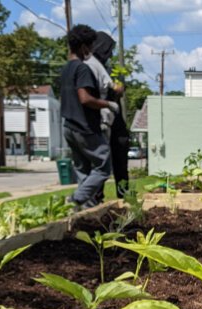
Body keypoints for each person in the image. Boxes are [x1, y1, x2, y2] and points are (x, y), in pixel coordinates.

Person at [60, 24, 119, 209]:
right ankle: (76, 199)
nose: (92, 51)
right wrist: (109, 104)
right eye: (91, 46)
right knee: (103, 166)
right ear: (84, 46)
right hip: (84, 127)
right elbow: (85, 99)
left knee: (83, 170)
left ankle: (85, 211)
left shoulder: (66, 69)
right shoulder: (82, 68)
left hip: (68, 126)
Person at [85, 31, 130, 199]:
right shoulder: (89, 68)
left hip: (115, 123)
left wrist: (118, 90)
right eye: (108, 50)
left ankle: (124, 196)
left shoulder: (109, 70)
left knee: (120, 158)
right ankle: (96, 200)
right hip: (99, 123)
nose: (111, 54)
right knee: (100, 163)